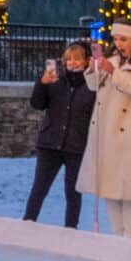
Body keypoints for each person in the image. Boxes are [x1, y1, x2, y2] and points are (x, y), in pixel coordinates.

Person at [79, 23, 131, 240]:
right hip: (107, 127)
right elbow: (94, 86)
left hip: (130, 130)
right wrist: (93, 69)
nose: (118, 44)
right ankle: (116, 236)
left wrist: (113, 72)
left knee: (130, 187)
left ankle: (130, 237)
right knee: (109, 184)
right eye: (116, 39)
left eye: (123, 39)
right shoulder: (114, 59)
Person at [24, 41, 97, 228]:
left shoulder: (93, 84)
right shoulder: (54, 79)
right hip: (49, 143)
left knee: (73, 192)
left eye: (77, 59)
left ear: (87, 61)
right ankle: (27, 222)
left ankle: (71, 229)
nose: (72, 63)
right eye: (68, 59)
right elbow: (37, 103)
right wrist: (41, 84)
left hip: (77, 146)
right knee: (39, 188)